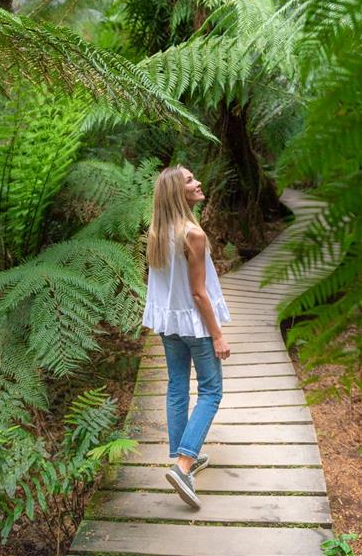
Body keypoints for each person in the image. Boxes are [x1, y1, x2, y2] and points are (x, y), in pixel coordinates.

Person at [142, 164, 232, 509]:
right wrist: (218, 335)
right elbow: (198, 293)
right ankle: (183, 465)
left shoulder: (157, 231)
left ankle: (183, 459)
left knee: (177, 386)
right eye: (190, 180)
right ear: (177, 193)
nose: (198, 183)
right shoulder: (193, 234)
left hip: (168, 324)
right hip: (194, 324)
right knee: (211, 391)